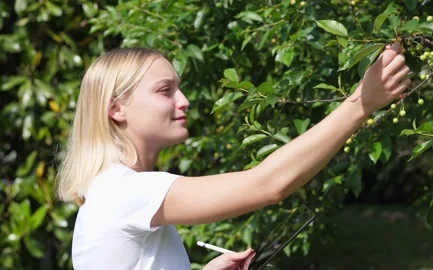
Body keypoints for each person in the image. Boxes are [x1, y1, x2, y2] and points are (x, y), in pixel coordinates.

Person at [55, 42, 410, 270]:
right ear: (116, 108)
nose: (184, 101)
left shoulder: (120, 192)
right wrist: (360, 103)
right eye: (165, 91)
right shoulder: (124, 193)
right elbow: (267, 184)